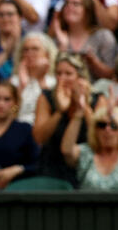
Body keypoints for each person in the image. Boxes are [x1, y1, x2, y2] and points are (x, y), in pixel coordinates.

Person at [33, 52, 94, 186]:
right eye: (58, 73)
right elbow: (39, 137)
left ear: (80, 76)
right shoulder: (46, 97)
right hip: (52, 165)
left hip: (87, 166)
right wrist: (60, 111)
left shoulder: (96, 98)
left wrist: (83, 105)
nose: (62, 79)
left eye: (68, 74)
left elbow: (98, 133)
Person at [61, 102, 118, 190]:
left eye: (114, 126)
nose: (107, 129)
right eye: (101, 125)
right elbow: (67, 150)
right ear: (95, 130)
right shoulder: (86, 153)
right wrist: (78, 114)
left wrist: (115, 117)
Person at [51, 0, 116, 79]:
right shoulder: (58, 38)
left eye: (75, 4)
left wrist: (94, 63)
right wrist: (63, 46)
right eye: (66, 3)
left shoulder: (103, 36)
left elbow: (111, 75)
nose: (69, 7)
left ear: (88, 9)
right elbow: (52, 74)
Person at [12, 32, 58, 124]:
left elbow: (54, 109)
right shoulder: (14, 81)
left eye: (35, 49)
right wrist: (22, 86)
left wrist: (40, 79)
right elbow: (11, 113)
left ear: (47, 53)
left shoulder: (54, 80)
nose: (29, 53)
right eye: (26, 50)